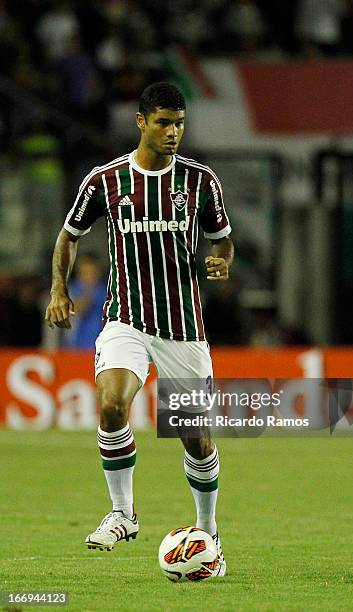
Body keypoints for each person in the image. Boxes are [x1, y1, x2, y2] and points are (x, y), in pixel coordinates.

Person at [45, 82, 233, 577]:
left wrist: (220, 262)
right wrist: (58, 290)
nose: (173, 132)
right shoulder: (105, 180)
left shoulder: (199, 182)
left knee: (194, 437)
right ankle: (123, 513)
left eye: (180, 124)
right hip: (125, 317)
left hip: (182, 326)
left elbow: (223, 241)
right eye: (164, 123)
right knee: (111, 402)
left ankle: (208, 531)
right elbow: (69, 236)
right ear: (141, 122)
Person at [63, 253, 106, 349]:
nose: (86, 276)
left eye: (90, 271)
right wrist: (89, 288)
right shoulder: (73, 288)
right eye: (83, 272)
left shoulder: (106, 289)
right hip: (79, 344)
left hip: (101, 343)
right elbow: (79, 309)